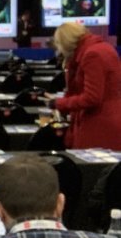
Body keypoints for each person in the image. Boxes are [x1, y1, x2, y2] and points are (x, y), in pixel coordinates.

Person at [45, 22, 121, 150]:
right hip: (111, 119)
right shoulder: (102, 47)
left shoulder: (92, 55)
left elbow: (92, 97)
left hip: (99, 125)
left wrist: (59, 103)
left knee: (90, 169)